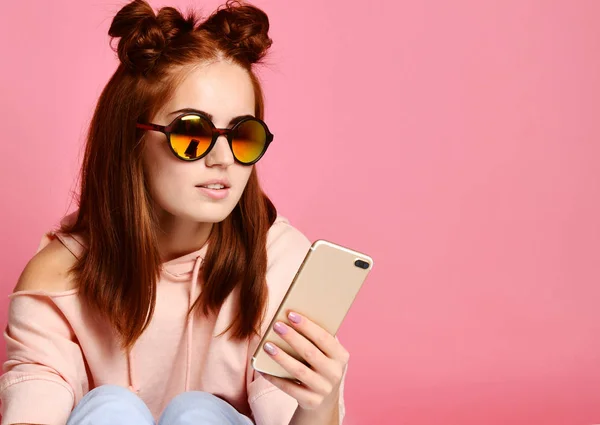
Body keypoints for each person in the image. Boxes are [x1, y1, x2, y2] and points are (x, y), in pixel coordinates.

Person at [0, 1, 348, 424]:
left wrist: (319, 405)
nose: (223, 158)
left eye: (243, 136)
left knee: (197, 414)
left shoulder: (282, 265)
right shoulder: (58, 281)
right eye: (191, 131)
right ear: (131, 140)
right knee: (113, 409)